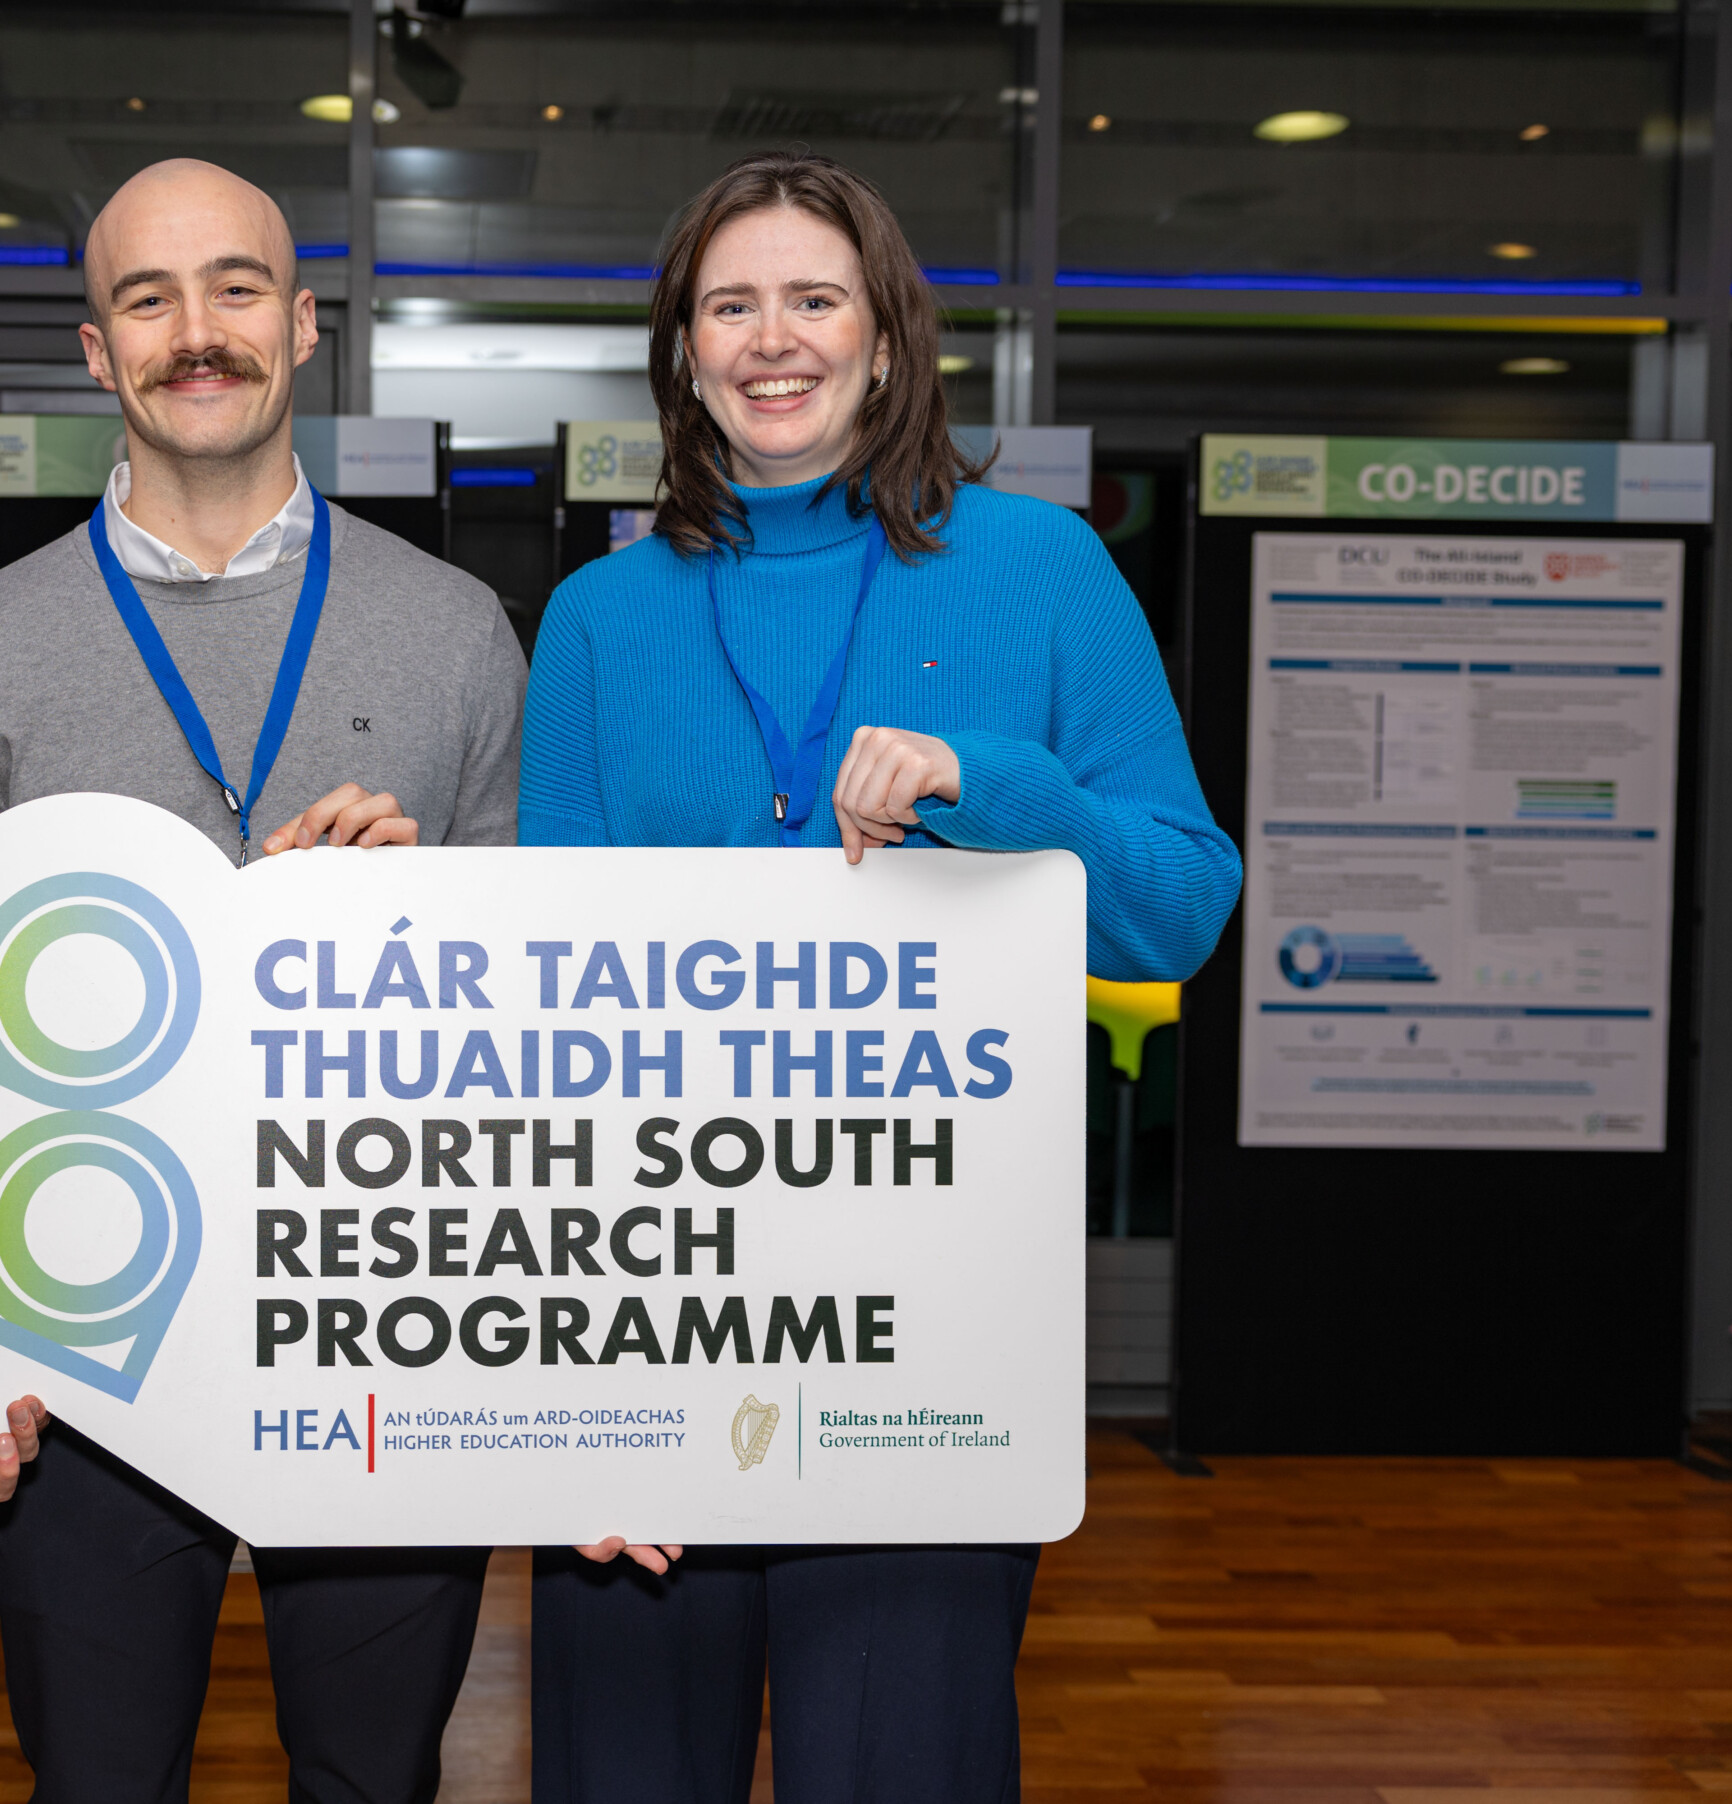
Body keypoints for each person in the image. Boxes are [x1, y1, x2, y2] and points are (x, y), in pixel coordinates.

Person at [516, 151, 1242, 1804]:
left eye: (814, 298)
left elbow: (1183, 907)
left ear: (891, 339)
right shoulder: (599, 620)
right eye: (731, 305)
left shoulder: (1043, 573)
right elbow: (542, 1025)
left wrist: (989, 785)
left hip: (929, 1336)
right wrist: (556, 1401)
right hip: (647, 1314)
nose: (774, 339)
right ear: (685, 351)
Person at [0, 158, 527, 1804]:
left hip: (389, 1311)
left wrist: (426, 911)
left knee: (376, 1780)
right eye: (147, 299)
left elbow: (537, 1023)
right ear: (98, 353)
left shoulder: (457, 636)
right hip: (85, 1330)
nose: (196, 331)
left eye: (235, 287)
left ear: (303, 328)